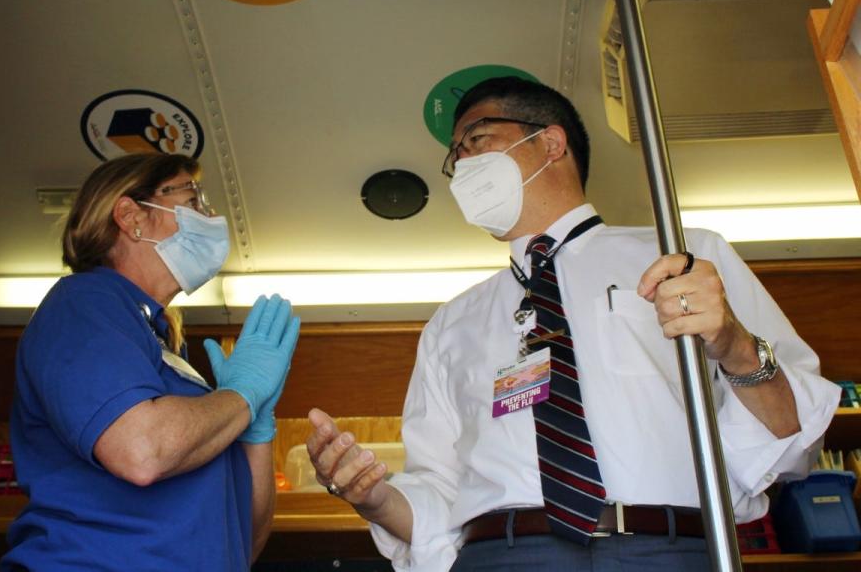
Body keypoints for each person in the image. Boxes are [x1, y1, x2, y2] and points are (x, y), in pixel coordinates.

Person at [305, 76, 840, 571]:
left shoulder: (688, 257)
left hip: (665, 550)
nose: (462, 162)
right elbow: (437, 495)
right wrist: (372, 497)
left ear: (551, 143)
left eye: (478, 139)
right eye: (455, 154)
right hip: (500, 555)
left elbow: (793, 441)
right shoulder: (450, 324)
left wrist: (735, 346)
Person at [2, 152, 300, 571]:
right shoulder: (85, 304)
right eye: (193, 199)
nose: (210, 216)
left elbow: (244, 540)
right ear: (130, 216)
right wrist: (242, 394)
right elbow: (140, 451)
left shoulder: (165, 349)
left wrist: (255, 427)